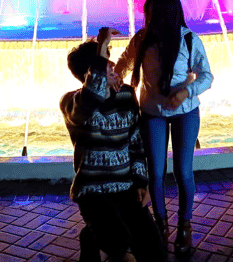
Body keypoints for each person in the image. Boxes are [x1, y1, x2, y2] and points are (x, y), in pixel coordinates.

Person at [115, 0, 214, 256]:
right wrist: (110, 72)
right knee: (155, 173)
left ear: (165, 16)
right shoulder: (142, 39)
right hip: (152, 114)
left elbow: (206, 76)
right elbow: (124, 63)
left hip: (185, 113)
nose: (146, 21)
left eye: (150, 15)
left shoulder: (189, 41)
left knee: (183, 171)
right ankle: (160, 224)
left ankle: (185, 224)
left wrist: (186, 91)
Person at [60, 27, 166, 262]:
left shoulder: (126, 96)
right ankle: (94, 236)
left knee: (154, 252)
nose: (111, 63)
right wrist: (101, 45)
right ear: (92, 71)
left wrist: (141, 182)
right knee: (119, 246)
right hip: (93, 190)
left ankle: (92, 234)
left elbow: (135, 142)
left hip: (126, 187)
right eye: (105, 58)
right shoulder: (72, 103)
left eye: (107, 56)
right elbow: (92, 97)